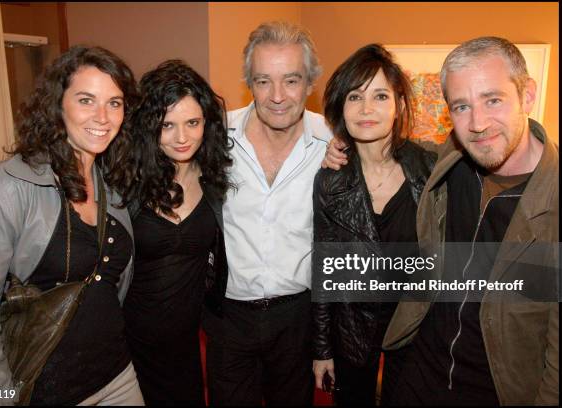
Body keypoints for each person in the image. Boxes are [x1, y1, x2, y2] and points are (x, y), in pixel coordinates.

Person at [326, 36, 558, 405]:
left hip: (496, 390)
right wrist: (342, 146)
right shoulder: (448, 165)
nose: (478, 123)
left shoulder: (552, 203)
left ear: (527, 95)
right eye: (461, 106)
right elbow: (392, 151)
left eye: (492, 99)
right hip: (418, 374)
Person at [0, 46, 144, 406]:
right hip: (42, 390)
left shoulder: (112, 186)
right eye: (87, 100)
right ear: (58, 105)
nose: (103, 116)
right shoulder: (2, 189)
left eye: (114, 103)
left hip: (118, 375)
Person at [201, 21, 333, 406]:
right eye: (263, 81)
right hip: (227, 319)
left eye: (291, 80)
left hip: (297, 319)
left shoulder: (333, 141)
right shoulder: (215, 138)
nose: (277, 96)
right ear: (249, 83)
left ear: (310, 84)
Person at [311, 44, 437, 406]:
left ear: (398, 104)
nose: (367, 109)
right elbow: (324, 267)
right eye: (355, 96)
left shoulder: (429, 168)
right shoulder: (330, 180)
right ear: (340, 107)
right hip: (351, 329)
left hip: (416, 328)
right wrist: (322, 349)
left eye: (380, 96)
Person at [120, 59, 233, 406]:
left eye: (192, 122)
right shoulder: (126, 182)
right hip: (128, 344)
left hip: (185, 345)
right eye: (167, 125)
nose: (182, 137)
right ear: (149, 126)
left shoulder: (214, 177)